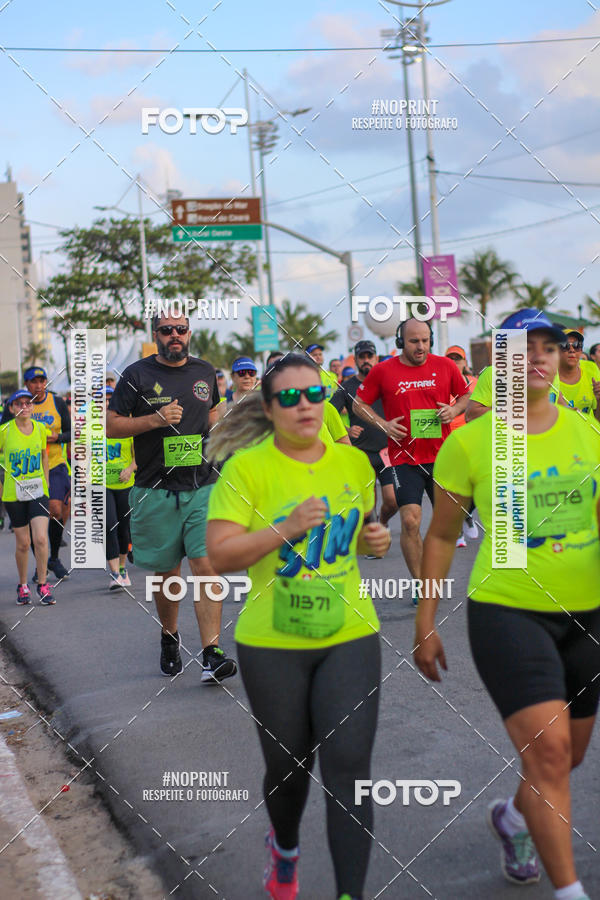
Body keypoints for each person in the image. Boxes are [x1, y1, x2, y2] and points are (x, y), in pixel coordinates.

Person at [414, 311, 599, 900]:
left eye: (549, 346)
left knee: (567, 756)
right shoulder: (470, 442)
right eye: (525, 347)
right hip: (508, 610)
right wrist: (425, 621)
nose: (539, 355)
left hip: (588, 614)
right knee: (549, 751)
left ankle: (515, 817)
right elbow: (441, 535)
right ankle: (570, 892)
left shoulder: (588, 434)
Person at [206, 353, 390, 900]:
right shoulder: (247, 469)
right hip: (273, 641)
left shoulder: (353, 464)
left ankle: (350, 893)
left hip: (349, 634)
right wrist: (284, 528)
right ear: (269, 408)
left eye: (314, 394)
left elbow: (356, 537)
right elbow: (220, 555)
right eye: (289, 396)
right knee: (289, 768)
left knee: (349, 769)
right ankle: (284, 846)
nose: (304, 405)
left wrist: (372, 541)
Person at [106, 309, 237, 683]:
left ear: (189, 333)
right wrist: (155, 420)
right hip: (156, 489)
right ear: (156, 335)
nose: (174, 335)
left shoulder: (204, 371)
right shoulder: (136, 375)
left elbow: (213, 410)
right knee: (168, 575)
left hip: (202, 487)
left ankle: (211, 653)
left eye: (181, 329)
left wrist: (219, 431)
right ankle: (169, 635)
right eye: (167, 330)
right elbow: (111, 425)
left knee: (205, 566)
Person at [353, 319, 469, 600]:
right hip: (403, 459)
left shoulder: (445, 366)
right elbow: (359, 404)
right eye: (414, 341)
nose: (421, 347)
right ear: (400, 342)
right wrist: (383, 425)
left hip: (441, 457)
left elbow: (466, 395)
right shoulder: (383, 371)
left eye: (426, 341)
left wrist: (454, 411)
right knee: (410, 521)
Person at [1, 367, 71, 580]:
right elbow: (5, 433)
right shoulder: (15, 406)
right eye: (34, 382)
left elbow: (72, 433)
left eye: (42, 381)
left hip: (54, 463)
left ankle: (54, 557)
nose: (39, 386)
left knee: (57, 510)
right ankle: (42, 563)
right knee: (33, 524)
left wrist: (57, 438)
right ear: (27, 384)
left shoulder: (57, 402)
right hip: (24, 474)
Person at [330, 340, 397, 529]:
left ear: (376, 358)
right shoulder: (347, 387)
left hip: (386, 451)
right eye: (362, 357)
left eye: (370, 356)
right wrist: (346, 430)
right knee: (369, 503)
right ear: (356, 360)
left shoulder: (386, 382)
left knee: (393, 500)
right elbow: (329, 412)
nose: (366, 360)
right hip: (361, 452)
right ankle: (374, 532)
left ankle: (383, 522)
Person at [0, 390, 53, 604]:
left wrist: (47, 482)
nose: (24, 406)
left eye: (28, 403)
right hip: (13, 494)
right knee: (23, 543)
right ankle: (22, 585)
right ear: (12, 408)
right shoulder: (4, 431)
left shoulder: (40, 428)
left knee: (40, 538)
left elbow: (44, 456)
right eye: (19, 403)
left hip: (38, 491)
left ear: (33, 406)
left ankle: (43, 584)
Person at [444, 346, 479, 547]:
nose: (454, 363)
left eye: (458, 359)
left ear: (465, 363)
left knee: (476, 485)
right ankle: (457, 531)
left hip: (472, 440)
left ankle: (466, 514)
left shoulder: (476, 382)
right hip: (447, 442)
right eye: (450, 359)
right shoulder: (439, 383)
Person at [104, 387, 136, 590]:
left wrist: (130, 468)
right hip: (101, 484)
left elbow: (138, 456)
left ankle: (123, 568)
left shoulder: (127, 425)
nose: (107, 403)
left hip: (125, 483)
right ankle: (115, 573)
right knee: (109, 525)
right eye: (103, 400)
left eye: (110, 399)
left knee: (124, 527)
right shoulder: (91, 429)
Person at [551, 329, 600, 421]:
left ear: (581, 350)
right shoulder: (547, 374)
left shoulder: (591, 369)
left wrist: (599, 400)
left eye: (577, 345)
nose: (572, 350)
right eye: (565, 346)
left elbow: (597, 422)